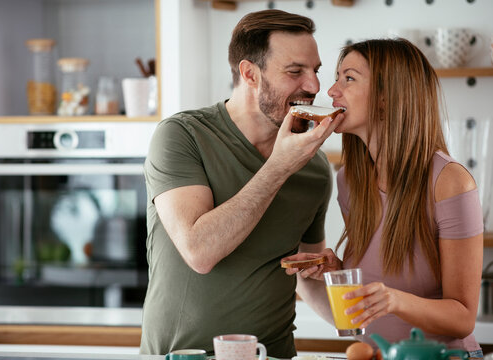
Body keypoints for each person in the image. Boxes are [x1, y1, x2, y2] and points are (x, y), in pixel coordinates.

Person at [139, 9, 345, 357]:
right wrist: (279, 167)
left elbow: (306, 279)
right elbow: (199, 251)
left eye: (315, 71)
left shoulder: (314, 168)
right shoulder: (183, 136)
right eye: (295, 71)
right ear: (249, 73)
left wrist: (369, 320)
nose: (313, 86)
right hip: (181, 356)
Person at [282, 38, 484, 358]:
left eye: (348, 78)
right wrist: (336, 273)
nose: (332, 91)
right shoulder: (350, 181)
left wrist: (396, 300)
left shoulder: (449, 182)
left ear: (386, 97)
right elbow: (368, 303)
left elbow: (462, 318)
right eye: (337, 78)